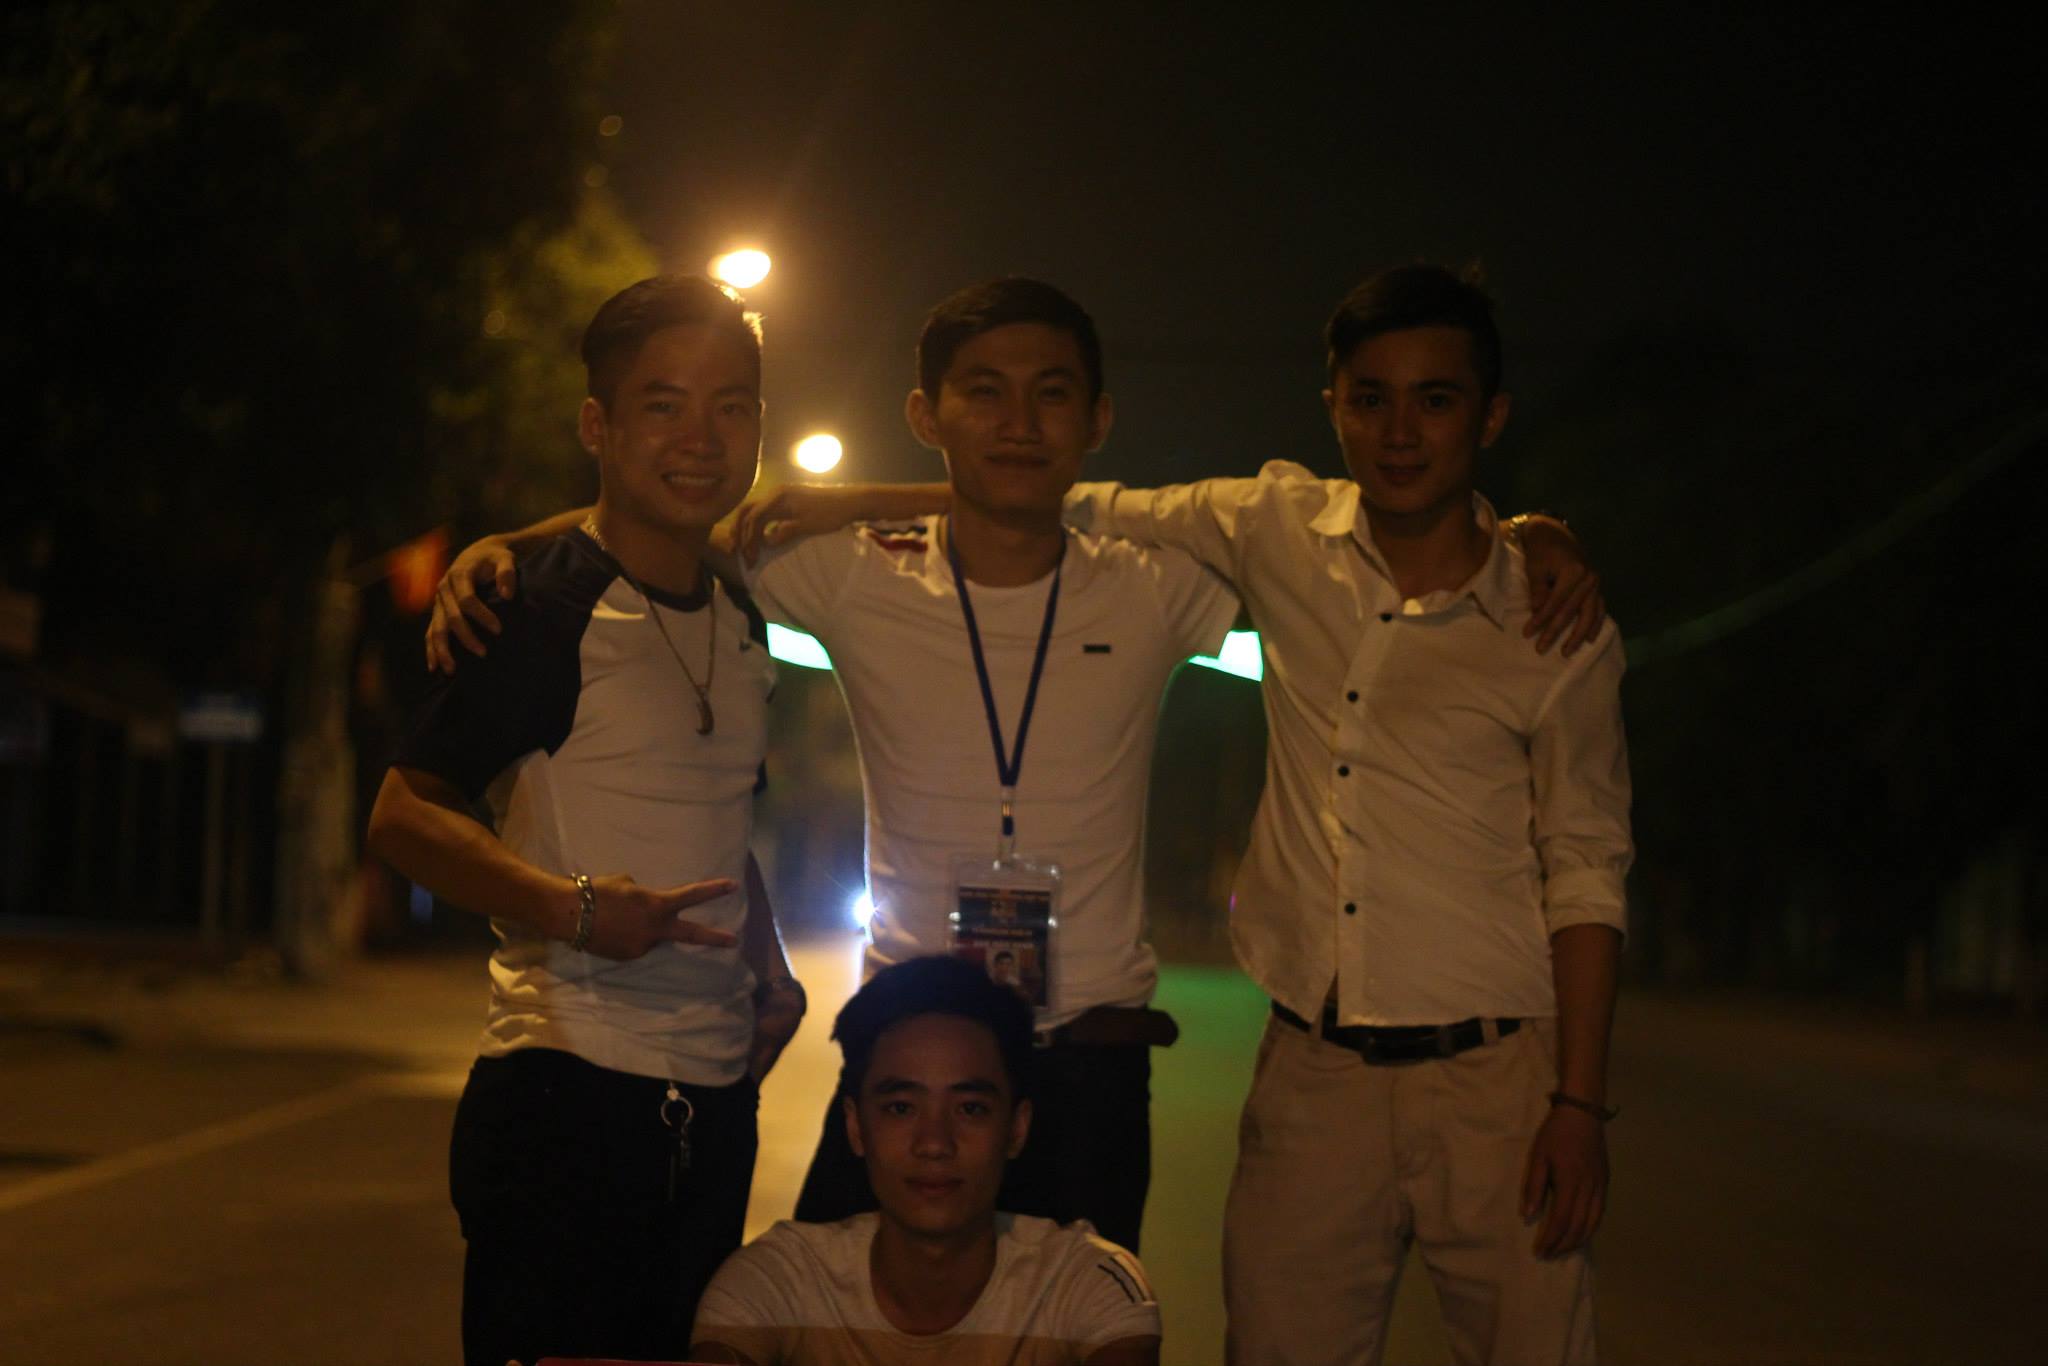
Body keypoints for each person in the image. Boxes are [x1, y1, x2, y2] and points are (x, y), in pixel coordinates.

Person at [427, 278, 1605, 1255]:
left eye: (1050, 395)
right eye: (981, 393)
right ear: (925, 413)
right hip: (904, 1048)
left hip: (1091, 1066)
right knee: (833, 1327)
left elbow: (1373, 550)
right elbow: (667, 517)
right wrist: (503, 546)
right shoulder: (847, 573)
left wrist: (1523, 534)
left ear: (1097, 419)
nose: (1016, 422)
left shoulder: (1162, 585)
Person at [1059, 264, 1633, 1365]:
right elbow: (1058, 497)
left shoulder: (1554, 628)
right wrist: (831, 507)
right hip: (1313, 1077)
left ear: (1489, 416)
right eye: (1370, 398)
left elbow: (1587, 872)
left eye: (1435, 400)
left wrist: (1578, 1105)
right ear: (1332, 407)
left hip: (1500, 1087)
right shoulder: (1272, 525)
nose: (1399, 431)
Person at [365, 274, 806, 1366]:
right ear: (597, 427)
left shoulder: (744, 617)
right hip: (563, 1096)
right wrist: (574, 910)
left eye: (732, 405)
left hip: (715, 1105)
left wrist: (770, 961)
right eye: (664, 405)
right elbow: (403, 814)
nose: (701, 437)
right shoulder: (537, 606)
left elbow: (716, 819)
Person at [689, 955, 1163, 1365]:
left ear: (1017, 1128)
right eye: (901, 1108)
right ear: (855, 1127)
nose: (934, 1143)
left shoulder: (1086, 1285)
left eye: (970, 1109)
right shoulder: (776, 1283)